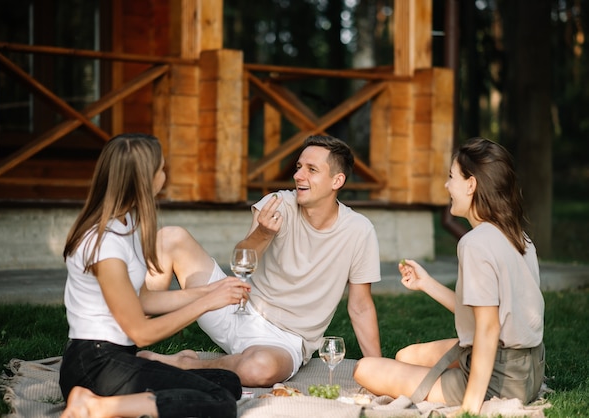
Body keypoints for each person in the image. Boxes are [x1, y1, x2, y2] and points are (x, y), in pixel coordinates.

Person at [141, 135, 382, 387]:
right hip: (234, 306)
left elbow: (360, 306)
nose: (299, 176)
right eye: (299, 168)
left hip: (284, 340)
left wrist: (378, 368)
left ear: (337, 180)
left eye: (312, 170)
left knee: (258, 369)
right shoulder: (277, 204)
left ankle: (187, 364)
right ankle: (128, 338)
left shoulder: (359, 231)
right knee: (171, 238)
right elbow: (241, 262)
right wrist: (263, 233)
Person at [58, 133, 251, 418]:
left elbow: (145, 300)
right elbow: (141, 331)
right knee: (219, 403)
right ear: (144, 179)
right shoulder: (104, 244)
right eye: (161, 168)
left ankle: (133, 395)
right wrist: (206, 304)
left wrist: (211, 290)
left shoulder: (127, 222)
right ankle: (93, 406)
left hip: (118, 358)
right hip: (94, 364)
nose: (165, 174)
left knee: (228, 383)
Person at [353, 137, 545, 415]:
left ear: (471, 184)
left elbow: (489, 328)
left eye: (451, 177)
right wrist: (426, 284)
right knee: (405, 356)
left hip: (499, 380)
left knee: (364, 369)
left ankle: (469, 391)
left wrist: (470, 406)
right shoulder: (518, 237)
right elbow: (486, 313)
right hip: (528, 371)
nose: (446, 186)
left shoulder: (475, 243)